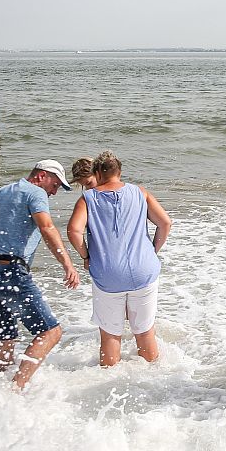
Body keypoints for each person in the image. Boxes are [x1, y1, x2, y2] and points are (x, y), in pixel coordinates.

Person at [0, 159, 81, 390]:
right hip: (11, 271)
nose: (54, 192)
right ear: (41, 176)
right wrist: (68, 263)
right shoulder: (36, 192)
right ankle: (15, 389)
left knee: (7, 335)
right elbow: (47, 227)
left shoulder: (4, 190)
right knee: (50, 332)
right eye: (55, 185)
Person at [66, 151, 172, 367]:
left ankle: (109, 383)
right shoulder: (141, 193)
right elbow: (165, 223)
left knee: (110, 334)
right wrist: (152, 251)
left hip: (108, 274)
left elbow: (74, 231)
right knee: (144, 330)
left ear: (97, 172)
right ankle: (155, 381)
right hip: (144, 270)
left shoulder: (87, 199)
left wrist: (86, 256)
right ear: (120, 171)